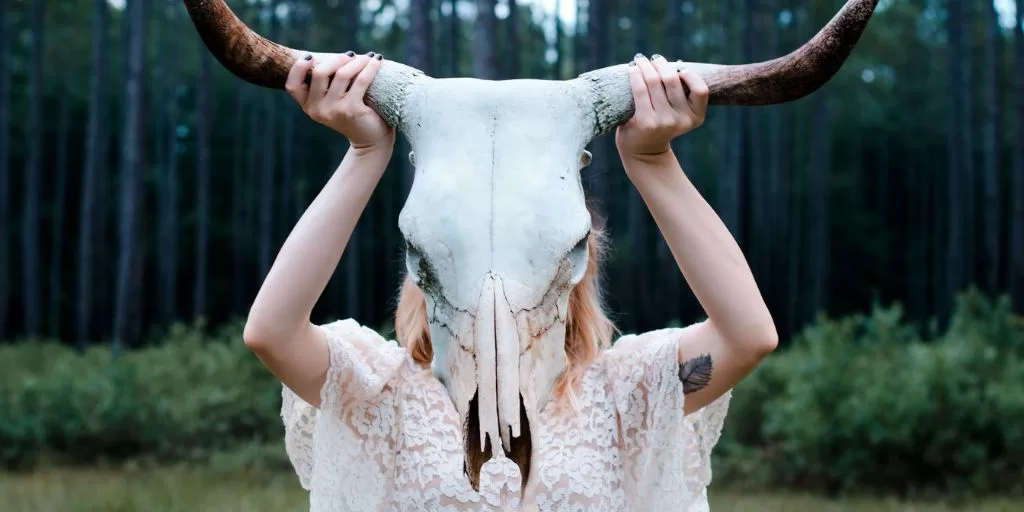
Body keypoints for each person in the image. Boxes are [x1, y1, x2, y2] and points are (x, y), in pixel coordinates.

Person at [242, 50, 778, 511]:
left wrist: (652, 160)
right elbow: (273, 332)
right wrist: (364, 155)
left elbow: (746, 336)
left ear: (577, 257)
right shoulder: (380, 392)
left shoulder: (623, 395)